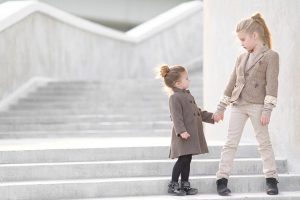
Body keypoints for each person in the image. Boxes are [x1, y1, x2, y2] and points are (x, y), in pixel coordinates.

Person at [213, 13, 280, 196]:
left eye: (243, 39)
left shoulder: (271, 56)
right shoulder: (241, 58)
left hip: (258, 106)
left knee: (264, 143)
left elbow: (272, 85)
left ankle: (271, 179)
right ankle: (221, 179)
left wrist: (267, 110)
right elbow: (231, 82)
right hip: (238, 105)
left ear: (254, 36)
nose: (241, 43)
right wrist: (221, 108)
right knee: (230, 143)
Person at [157, 64, 215, 196]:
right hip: (183, 135)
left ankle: (185, 184)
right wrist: (181, 131)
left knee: (187, 159)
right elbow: (176, 117)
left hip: (190, 134)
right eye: (186, 78)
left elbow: (197, 112)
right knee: (182, 159)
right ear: (177, 83)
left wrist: (212, 117)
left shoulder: (188, 96)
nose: (189, 80)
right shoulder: (175, 98)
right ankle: (173, 184)